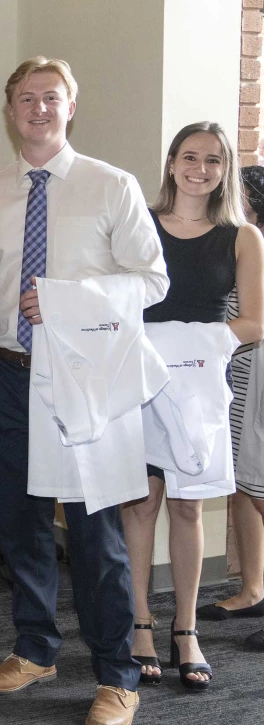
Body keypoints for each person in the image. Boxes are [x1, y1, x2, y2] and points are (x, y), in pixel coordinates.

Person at [0, 57, 168, 725]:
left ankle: (117, 673)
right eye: (26, 98)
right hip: (8, 371)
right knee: (19, 525)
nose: (39, 108)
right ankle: (35, 647)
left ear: (71, 107)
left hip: (84, 379)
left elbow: (151, 279)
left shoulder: (112, 185)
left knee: (93, 532)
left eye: (51, 97)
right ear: (10, 109)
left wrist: (71, 301)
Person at [121, 123, 263, 691]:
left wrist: (183, 341)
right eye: (189, 157)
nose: (199, 169)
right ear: (172, 163)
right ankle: (139, 624)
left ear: (225, 169)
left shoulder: (242, 236)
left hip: (199, 385)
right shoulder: (142, 225)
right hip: (139, 382)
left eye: (212, 160)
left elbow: (254, 320)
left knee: (187, 507)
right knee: (141, 502)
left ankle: (186, 629)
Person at [197, 165, 264, 640]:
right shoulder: (227, 240)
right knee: (243, 483)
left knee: (262, 487)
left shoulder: (253, 242)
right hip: (236, 373)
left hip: (260, 368)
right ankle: (253, 589)